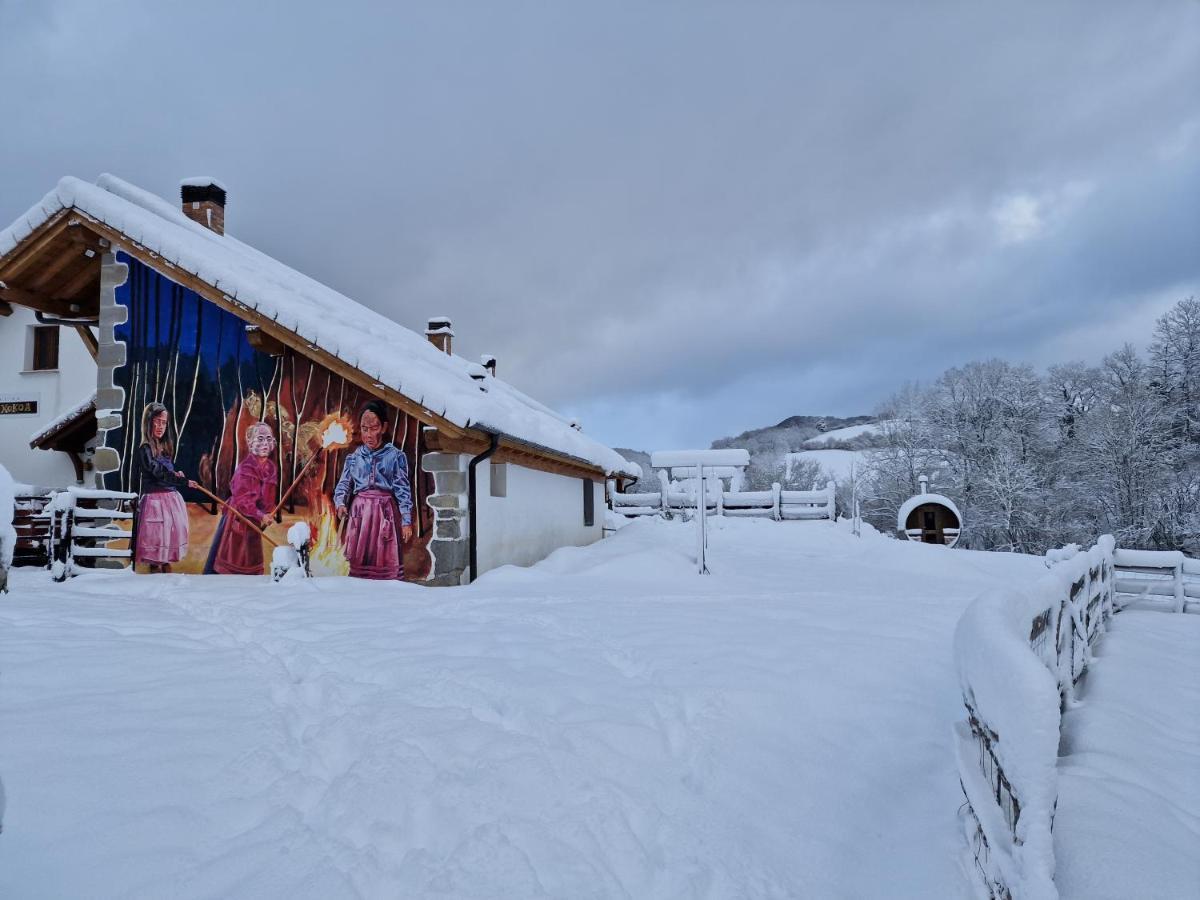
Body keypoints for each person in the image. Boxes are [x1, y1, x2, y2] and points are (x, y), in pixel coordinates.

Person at [333, 399, 413, 579]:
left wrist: (406, 520)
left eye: (374, 428)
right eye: (364, 429)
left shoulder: (395, 457)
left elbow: (403, 489)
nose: (369, 434)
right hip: (360, 514)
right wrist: (340, 503)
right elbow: (344, 484)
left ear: (384, 428)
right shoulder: (354, 458)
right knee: (360, 563)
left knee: (384, 560)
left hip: (385, 513)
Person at [205, 421, 278, 575]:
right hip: (238, 519)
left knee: (251, 561)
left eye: (268, 438)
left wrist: (268, 513)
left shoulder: (271, 468)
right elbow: (243, 501)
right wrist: (261, 515)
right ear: (250, 443)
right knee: (232, 561)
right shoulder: (246, 468)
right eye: (260, 439)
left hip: (255, 522)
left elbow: (268, 498)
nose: (265, 443)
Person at [134, 403, 198, 573]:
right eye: (157, 421)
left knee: (169, 543)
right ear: (148, 422)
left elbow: (166, 472)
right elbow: (158, 473)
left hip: (170, 500)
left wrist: (176, 475)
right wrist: (183, 482)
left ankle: (168, 583)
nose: (161, 426)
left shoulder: (163, 448)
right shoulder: (145, 449)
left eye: (164, 422)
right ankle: (156, 580)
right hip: (156, 503)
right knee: (157, 545)